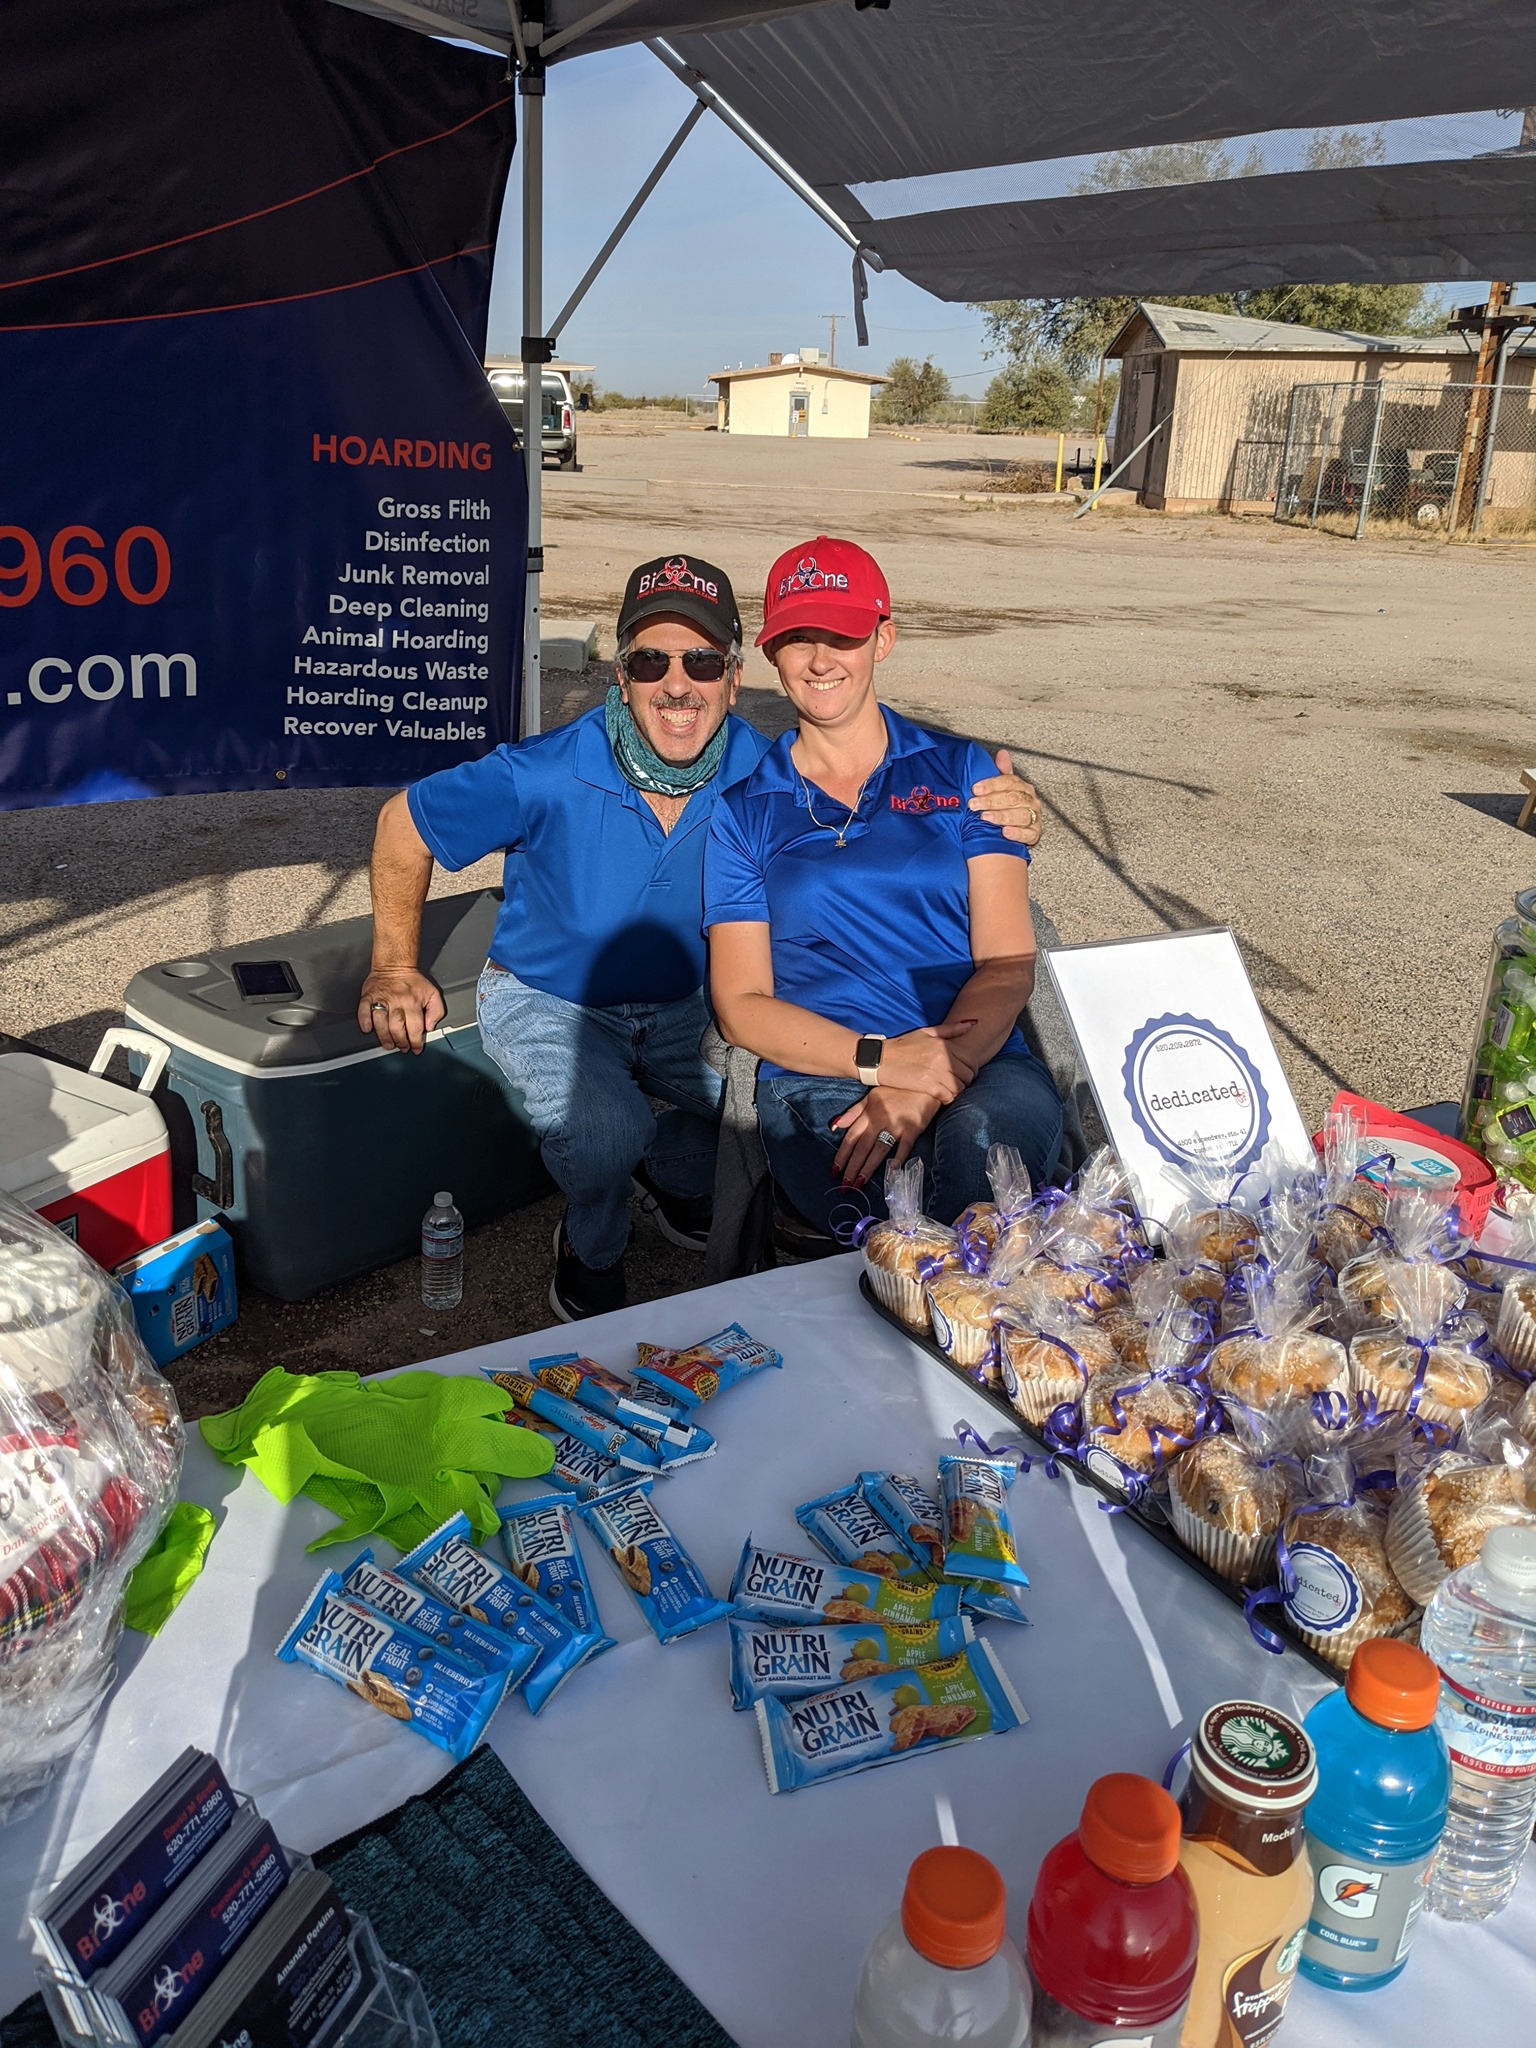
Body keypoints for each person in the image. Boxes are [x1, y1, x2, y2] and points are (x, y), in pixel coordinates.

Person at [359, 552, 1045, 1319]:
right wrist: (393, 967)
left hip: (689, 1002)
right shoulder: (542, 771)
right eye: (651, 661)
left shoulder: (757, 769)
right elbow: (403, 823)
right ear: (621, 676)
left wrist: (1013, 809)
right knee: (603, 1133)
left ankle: (673, 1172)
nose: (677, 684)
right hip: (554, 998)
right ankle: (592, 1246)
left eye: (703, 662)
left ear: (734, 676)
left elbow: (879, 816)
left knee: (772, 1113)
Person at [705, 536, 1063, 1237]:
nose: (820, 659)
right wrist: (883, 1062)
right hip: (823, 1073)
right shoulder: (743, 812)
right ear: (773, 655)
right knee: (898, 1227)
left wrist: (933, 1074)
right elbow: (741, 1006)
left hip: (983, 1060)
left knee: (979, 1173)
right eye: (797, 638)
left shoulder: (964, 773)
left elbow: (1007, 962)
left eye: (842, 635)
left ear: (883, 638)